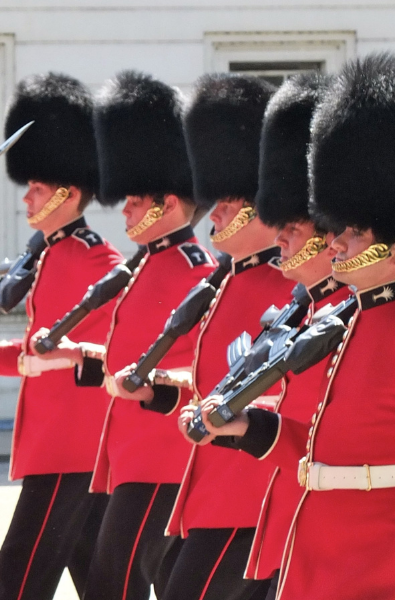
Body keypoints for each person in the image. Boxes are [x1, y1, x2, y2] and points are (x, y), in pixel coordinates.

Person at [200, 53, 395, 599]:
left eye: (352, 233)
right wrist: (249, 428)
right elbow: (320, 451)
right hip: (316, 555)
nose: (336, 243)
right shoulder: (346, 318)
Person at [32, 71, 216, 600]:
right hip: (127, 457)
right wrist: (81, 355)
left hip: (163, 456)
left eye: (138, 201)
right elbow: (125, 355)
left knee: (112, 586)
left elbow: (210, 368)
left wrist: (155, 388)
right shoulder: (144, 265)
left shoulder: (194, 269)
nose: (126, 210)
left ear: (171, 204)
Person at [0, 72, 117, 600]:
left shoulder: (97, 261)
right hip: (57, 446)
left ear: (69, 192)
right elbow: (35, 351)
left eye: (37, 189)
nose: (27, 200)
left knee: (17, 577)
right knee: (100, 584)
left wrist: (59, 358)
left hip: (73, 447)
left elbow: (98, 356)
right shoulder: (50, 254)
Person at [103, 73, 287, 600]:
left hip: (248, 488)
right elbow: (211, 381)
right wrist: (160, 393)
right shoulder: (224, 280)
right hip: (212, 487)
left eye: (230, 199)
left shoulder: (285, 285)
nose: (219, 210)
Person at [187, 71, 344, 590]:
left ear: (328, 236)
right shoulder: (303, 304)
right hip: (281, 508)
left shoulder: (346, 312)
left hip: (323, 522)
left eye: (294, 228)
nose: (281, 236)